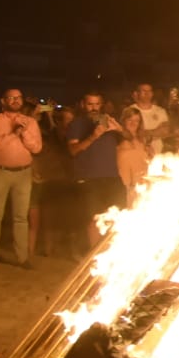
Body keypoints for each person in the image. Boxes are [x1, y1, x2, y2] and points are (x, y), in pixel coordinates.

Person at [0, 87, 43, 268]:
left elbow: (37, 148)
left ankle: (22, 257)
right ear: (3, 101)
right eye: (11, 98)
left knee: (20, 217)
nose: (16, 101)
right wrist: (12, 133)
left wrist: (24, 132)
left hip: (23, 173)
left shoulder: (30, 122)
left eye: (19, 97)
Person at [66, 91, 126, 246]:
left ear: (102, 104)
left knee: (117, 217)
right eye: (90, 104)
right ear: (83, 105)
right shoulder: (77, 124)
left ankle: (112, 252)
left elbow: (130, 139)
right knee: (94, 218)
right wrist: (93, 136)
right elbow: (73, 150)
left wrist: (119, 130)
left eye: (97, 104)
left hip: (112, 177)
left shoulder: (109, 123)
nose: (94, 108)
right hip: (90, 179)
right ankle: (94, 257)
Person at [116, 106, 154, 203]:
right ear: (124, 120)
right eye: (130, 120)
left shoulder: (142, 140)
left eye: (136, 120)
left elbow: (151, 160)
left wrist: (151, 153)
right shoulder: (116, 137)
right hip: (124, 185)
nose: (133, 123)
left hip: (142, 184)